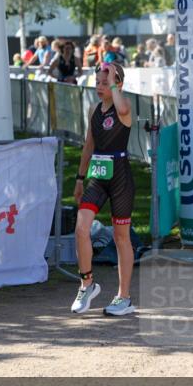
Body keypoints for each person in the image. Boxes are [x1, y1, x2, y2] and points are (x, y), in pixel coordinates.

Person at [72, 62, 137, 316]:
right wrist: (79, 178)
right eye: (97, 82)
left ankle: (124, 297)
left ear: (117, 84)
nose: (99, 87)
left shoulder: (125, 108)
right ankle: (87, 283)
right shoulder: (94, 110)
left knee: (122, 238)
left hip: (120, 177)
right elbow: (89, 145)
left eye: (104, 82)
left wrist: (114, 82)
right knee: (81, 228)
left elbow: (121, 106)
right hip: (98, 177)